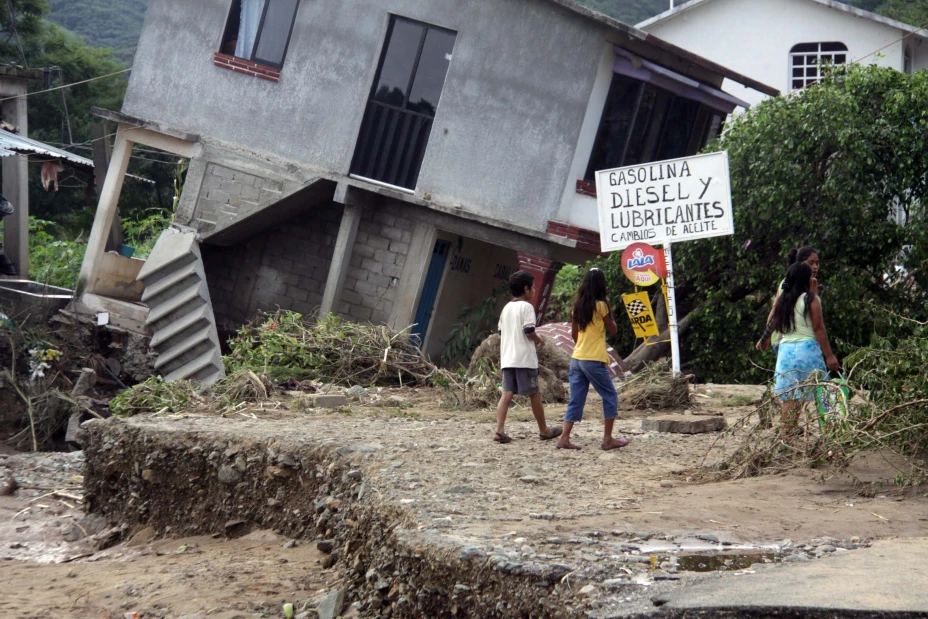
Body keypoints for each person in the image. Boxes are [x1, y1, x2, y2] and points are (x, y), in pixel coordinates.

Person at [556, 268, 630, 451]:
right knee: (610, 395)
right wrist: (609, 308)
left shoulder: (577, 306)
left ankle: (564, 438)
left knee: (576, 399)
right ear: (601, 285)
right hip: (594, 358)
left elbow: (574, 334)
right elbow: (613, 330)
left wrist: (582, 346)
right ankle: (607, 439)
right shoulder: (601, 306)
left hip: (577, 358)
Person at [769, 262, 840, 432]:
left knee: (790, 395)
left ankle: (787, 434)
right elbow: (818, 329)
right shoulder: (811, 299)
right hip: (807, 350)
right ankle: (831, 430)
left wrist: (764, 340)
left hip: (785, 353)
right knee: (821, 391)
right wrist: (829, 356)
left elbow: (770, 322)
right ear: (806, 279)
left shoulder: (782, 300)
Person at [493, 270, 562, 444]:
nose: (534, 290)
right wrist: (538, 340)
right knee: (534, 395)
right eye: (533, 287)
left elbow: (501, 331)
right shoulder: (527, 307)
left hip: (508, 358)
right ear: (526, 288)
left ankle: (499, 430)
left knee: (506, 394)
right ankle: (544, 430)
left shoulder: (506, 308)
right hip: (524, 358)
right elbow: (528, 330)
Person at [756, 246, 821, 351]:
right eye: (810, 263)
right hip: (785, 340)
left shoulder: (811, 283)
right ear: (799, 264)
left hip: (803, 341)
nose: (815, 267)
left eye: (817, 263)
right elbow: (776, 311)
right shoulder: (789, 283)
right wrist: (765, 337)